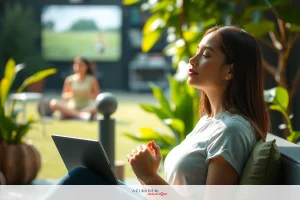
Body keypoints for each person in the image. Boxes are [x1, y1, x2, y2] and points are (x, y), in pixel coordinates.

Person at [56, 25, 270, 186]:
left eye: (206, 55)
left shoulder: (231, 131)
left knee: (80, 178)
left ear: (230, 71)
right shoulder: (210, 121)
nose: (192, 60)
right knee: (84, 175)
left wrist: (149, 176)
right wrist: (147, 176)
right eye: (197, 51)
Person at [49, 56, 100, 120]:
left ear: (86, 66)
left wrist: (89, 95)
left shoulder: (92, 79)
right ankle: (80, 115)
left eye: (81, 65)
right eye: (76, 65)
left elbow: (98, 97)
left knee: (100, 105)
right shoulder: (69, 79)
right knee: (53, 103)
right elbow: (64, 96)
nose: (78, 67)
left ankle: (71, 114)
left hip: (87, 107)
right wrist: (71, 94)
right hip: (72, 107)